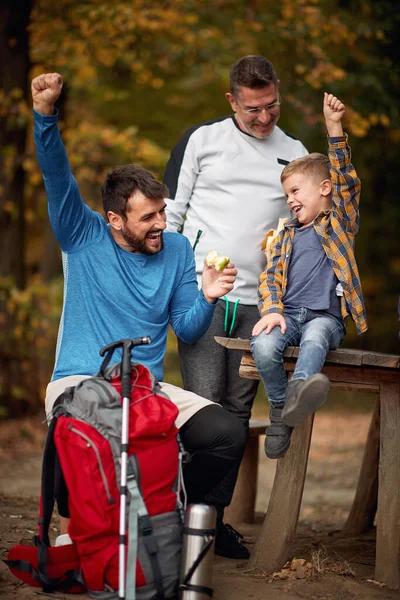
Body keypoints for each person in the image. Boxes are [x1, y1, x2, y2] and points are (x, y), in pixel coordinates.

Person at [31, 72, 247, 549]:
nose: (160, 225)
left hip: (144, 388)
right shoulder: (82, 235)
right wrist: (45, 115)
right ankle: (84, 522)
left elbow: (187, 329)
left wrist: (207, 296)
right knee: (82, 424)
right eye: (147, 217)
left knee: (226, 433)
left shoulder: (173, 250)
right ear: (114, 220)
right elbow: (55, 175)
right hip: (81, 381)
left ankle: (162, 507)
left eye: (162, 212)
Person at [163, 55, 308, 558]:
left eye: (271, 106)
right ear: (232, 101)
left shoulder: (294, 151)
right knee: (203, 406)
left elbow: (306, 226)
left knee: (238, 411)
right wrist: (176, 286)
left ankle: (211, 521)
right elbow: (172, 216)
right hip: (204, 295)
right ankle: (177, 516)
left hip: (262, 301)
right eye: (253, 110)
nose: (264, 118)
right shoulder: (202, 141)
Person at [251, 93, 367, 460]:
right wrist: (270, 310)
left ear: (324, 189)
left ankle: (300, 391)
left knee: (317, 336)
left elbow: (347, 183)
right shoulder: (283, 235)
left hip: (325, 318)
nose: (290, 200)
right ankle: (281, 407)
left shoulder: (339, 226)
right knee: (264, 345)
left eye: (296, 191)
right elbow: (269, 279)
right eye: (287, 194)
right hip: (287, 315)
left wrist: (334, 127)